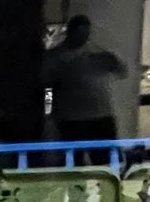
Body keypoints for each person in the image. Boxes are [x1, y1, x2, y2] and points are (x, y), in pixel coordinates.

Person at [44, 14, 127, 142]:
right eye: (80, 33)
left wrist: (114, 61)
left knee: (106, 156)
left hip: (101, 114)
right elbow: (46, 84)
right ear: (70, 32)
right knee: (74, 156)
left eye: (86, 34)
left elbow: (122, 72)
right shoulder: (56, 57)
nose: (83, 38)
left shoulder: (96, 51)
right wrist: (48, 113)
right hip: (71, 117)